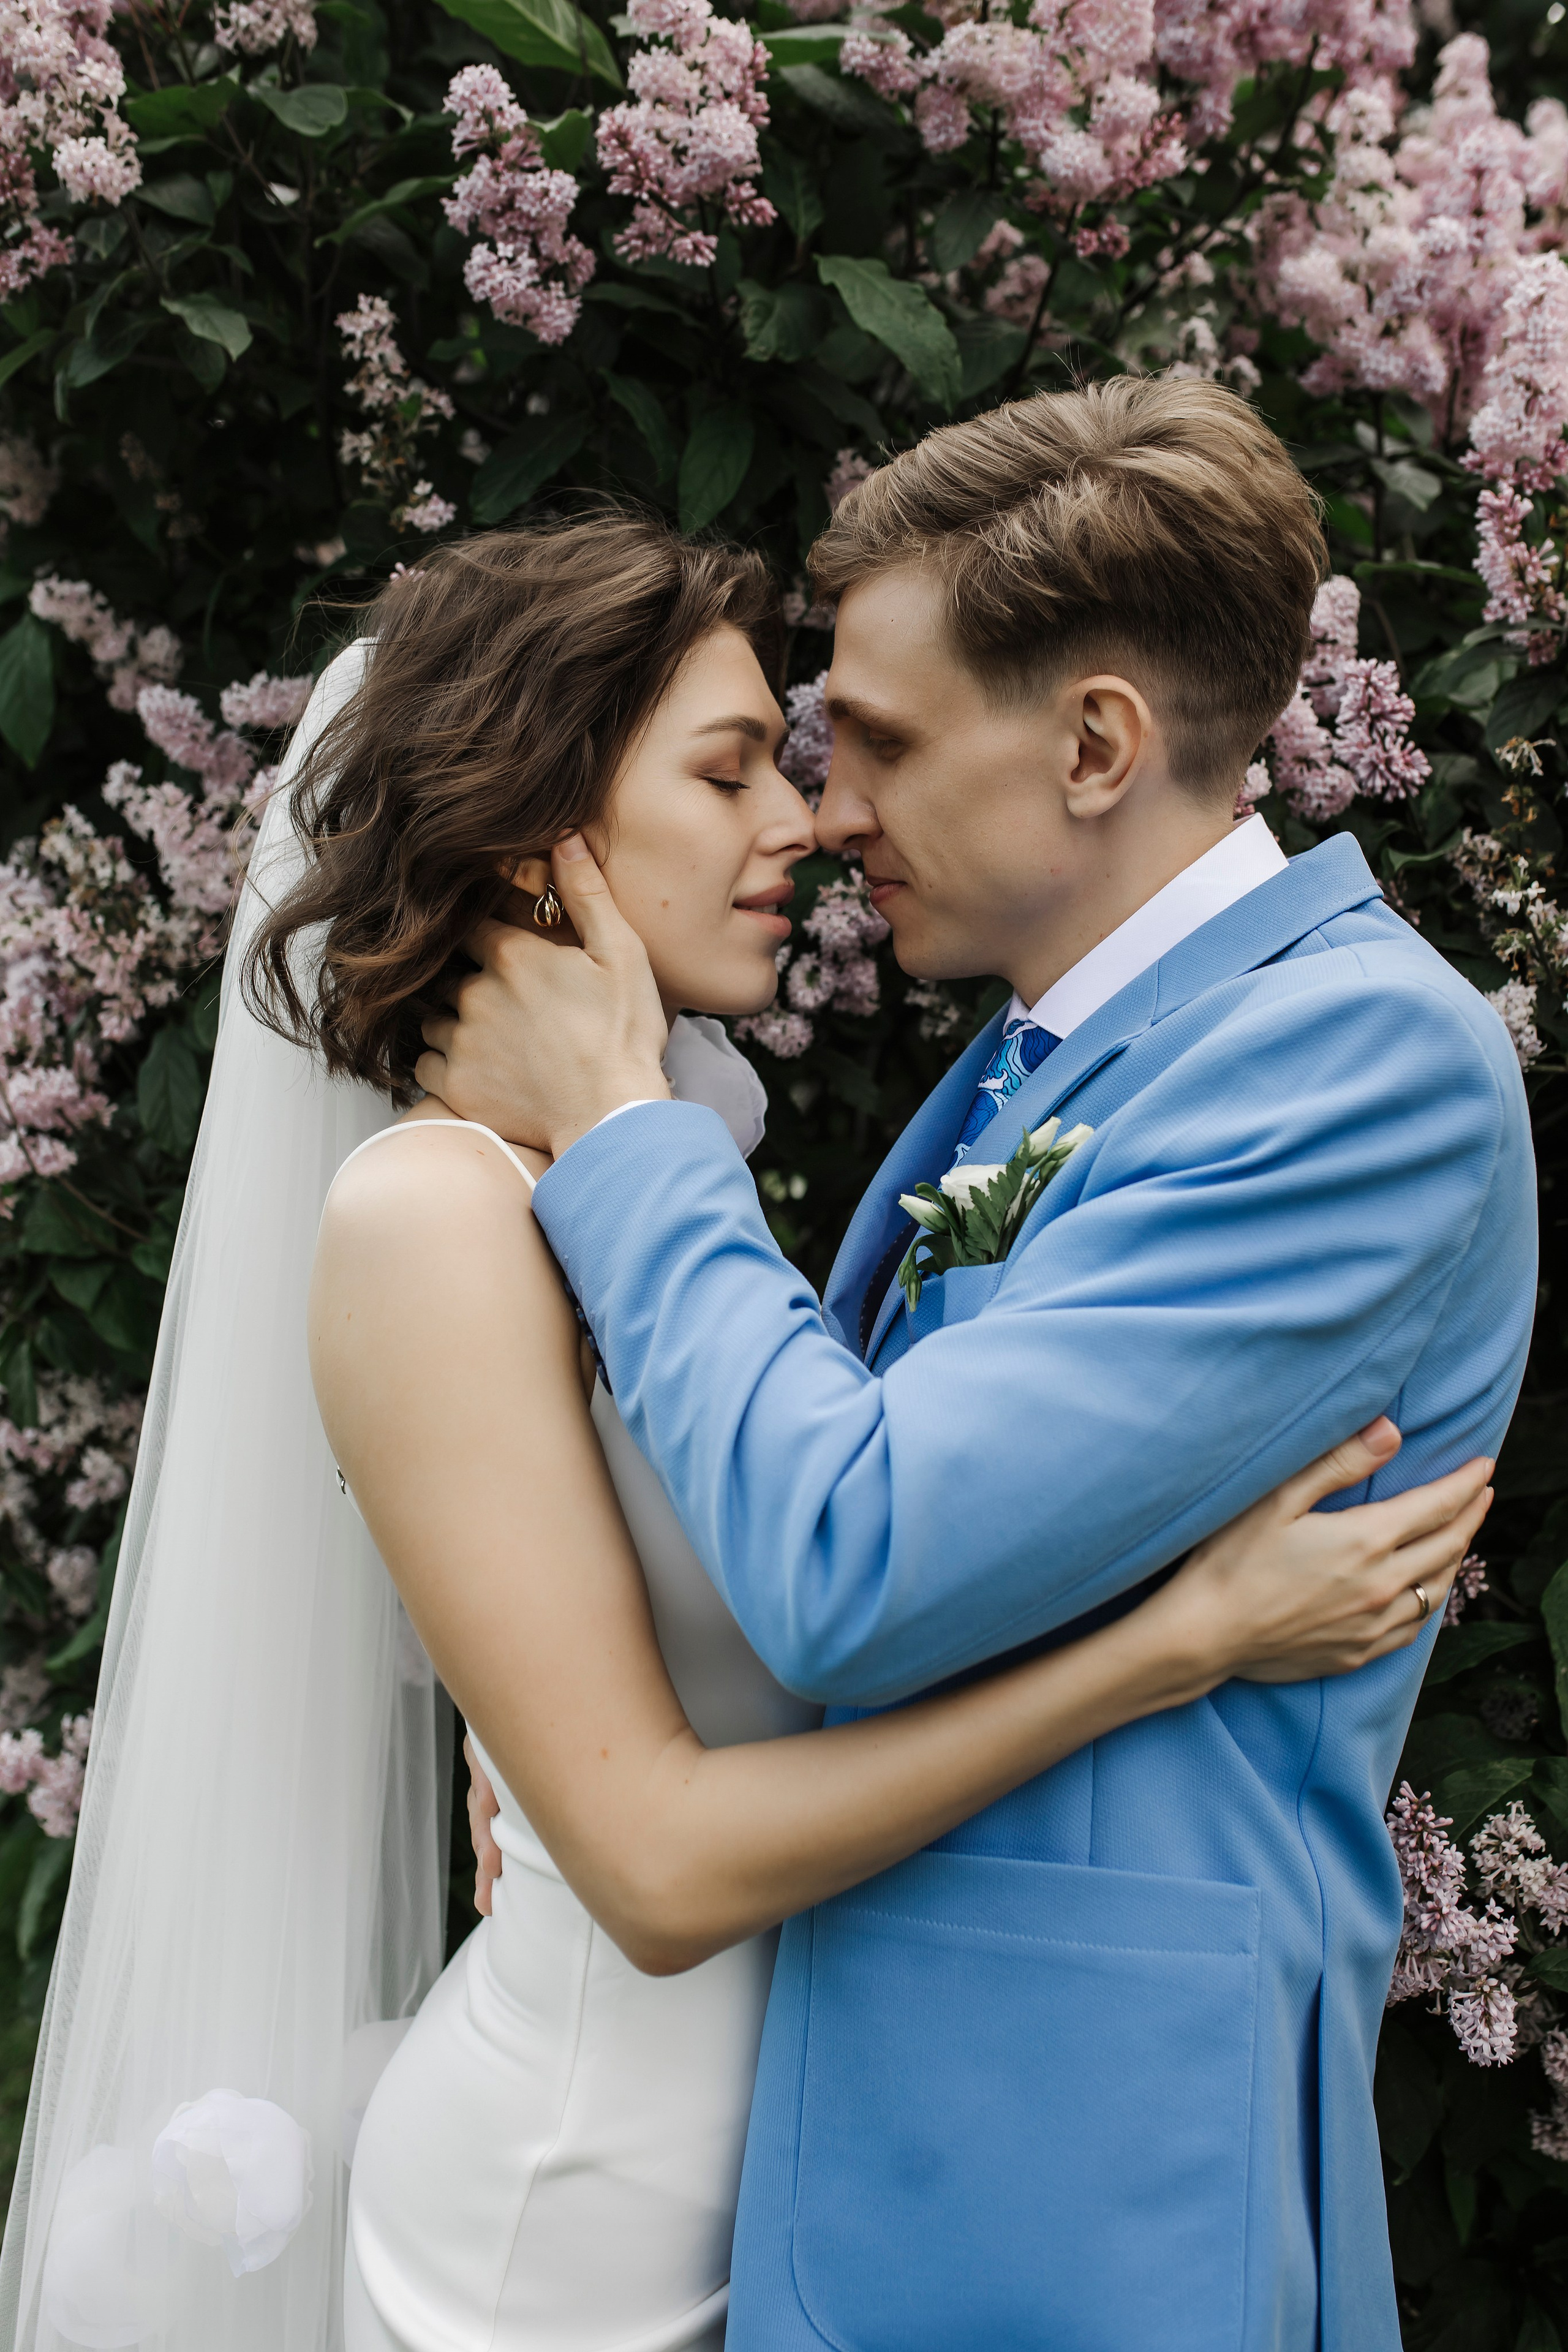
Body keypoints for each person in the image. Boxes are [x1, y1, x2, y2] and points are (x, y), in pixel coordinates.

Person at [0, 515, 1486, 2352]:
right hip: (560, 2248)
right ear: (539, 835)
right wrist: (1175, 1645)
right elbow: (664, 1866)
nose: (803, 824)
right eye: (728, 776)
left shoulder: (650, 1199)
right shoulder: (432, 1220)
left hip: (797, 2197)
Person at [424, 386, 1539, 2352]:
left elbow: (857, 1553)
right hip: (826, 2158)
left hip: (1077, 2205)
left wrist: (616, 1124)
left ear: (1095, 742)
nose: (830, 810)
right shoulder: (1041, 1057)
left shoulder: (1360, 1066)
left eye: (882, 742)